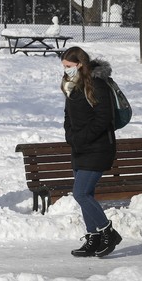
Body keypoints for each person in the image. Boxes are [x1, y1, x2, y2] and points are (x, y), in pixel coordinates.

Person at [60, 46, 122, 257]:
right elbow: (68, 116)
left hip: (98, 147)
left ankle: (107, 231)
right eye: (64, 67)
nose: (66, 70)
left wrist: (81, 138)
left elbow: (104, 118)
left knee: (80, 193)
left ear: (80, 64)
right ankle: (93, 237)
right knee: (87, 193)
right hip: (80, 148)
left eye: (69, 66)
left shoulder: (96, 84)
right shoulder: (72, 85)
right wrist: (70, 135)